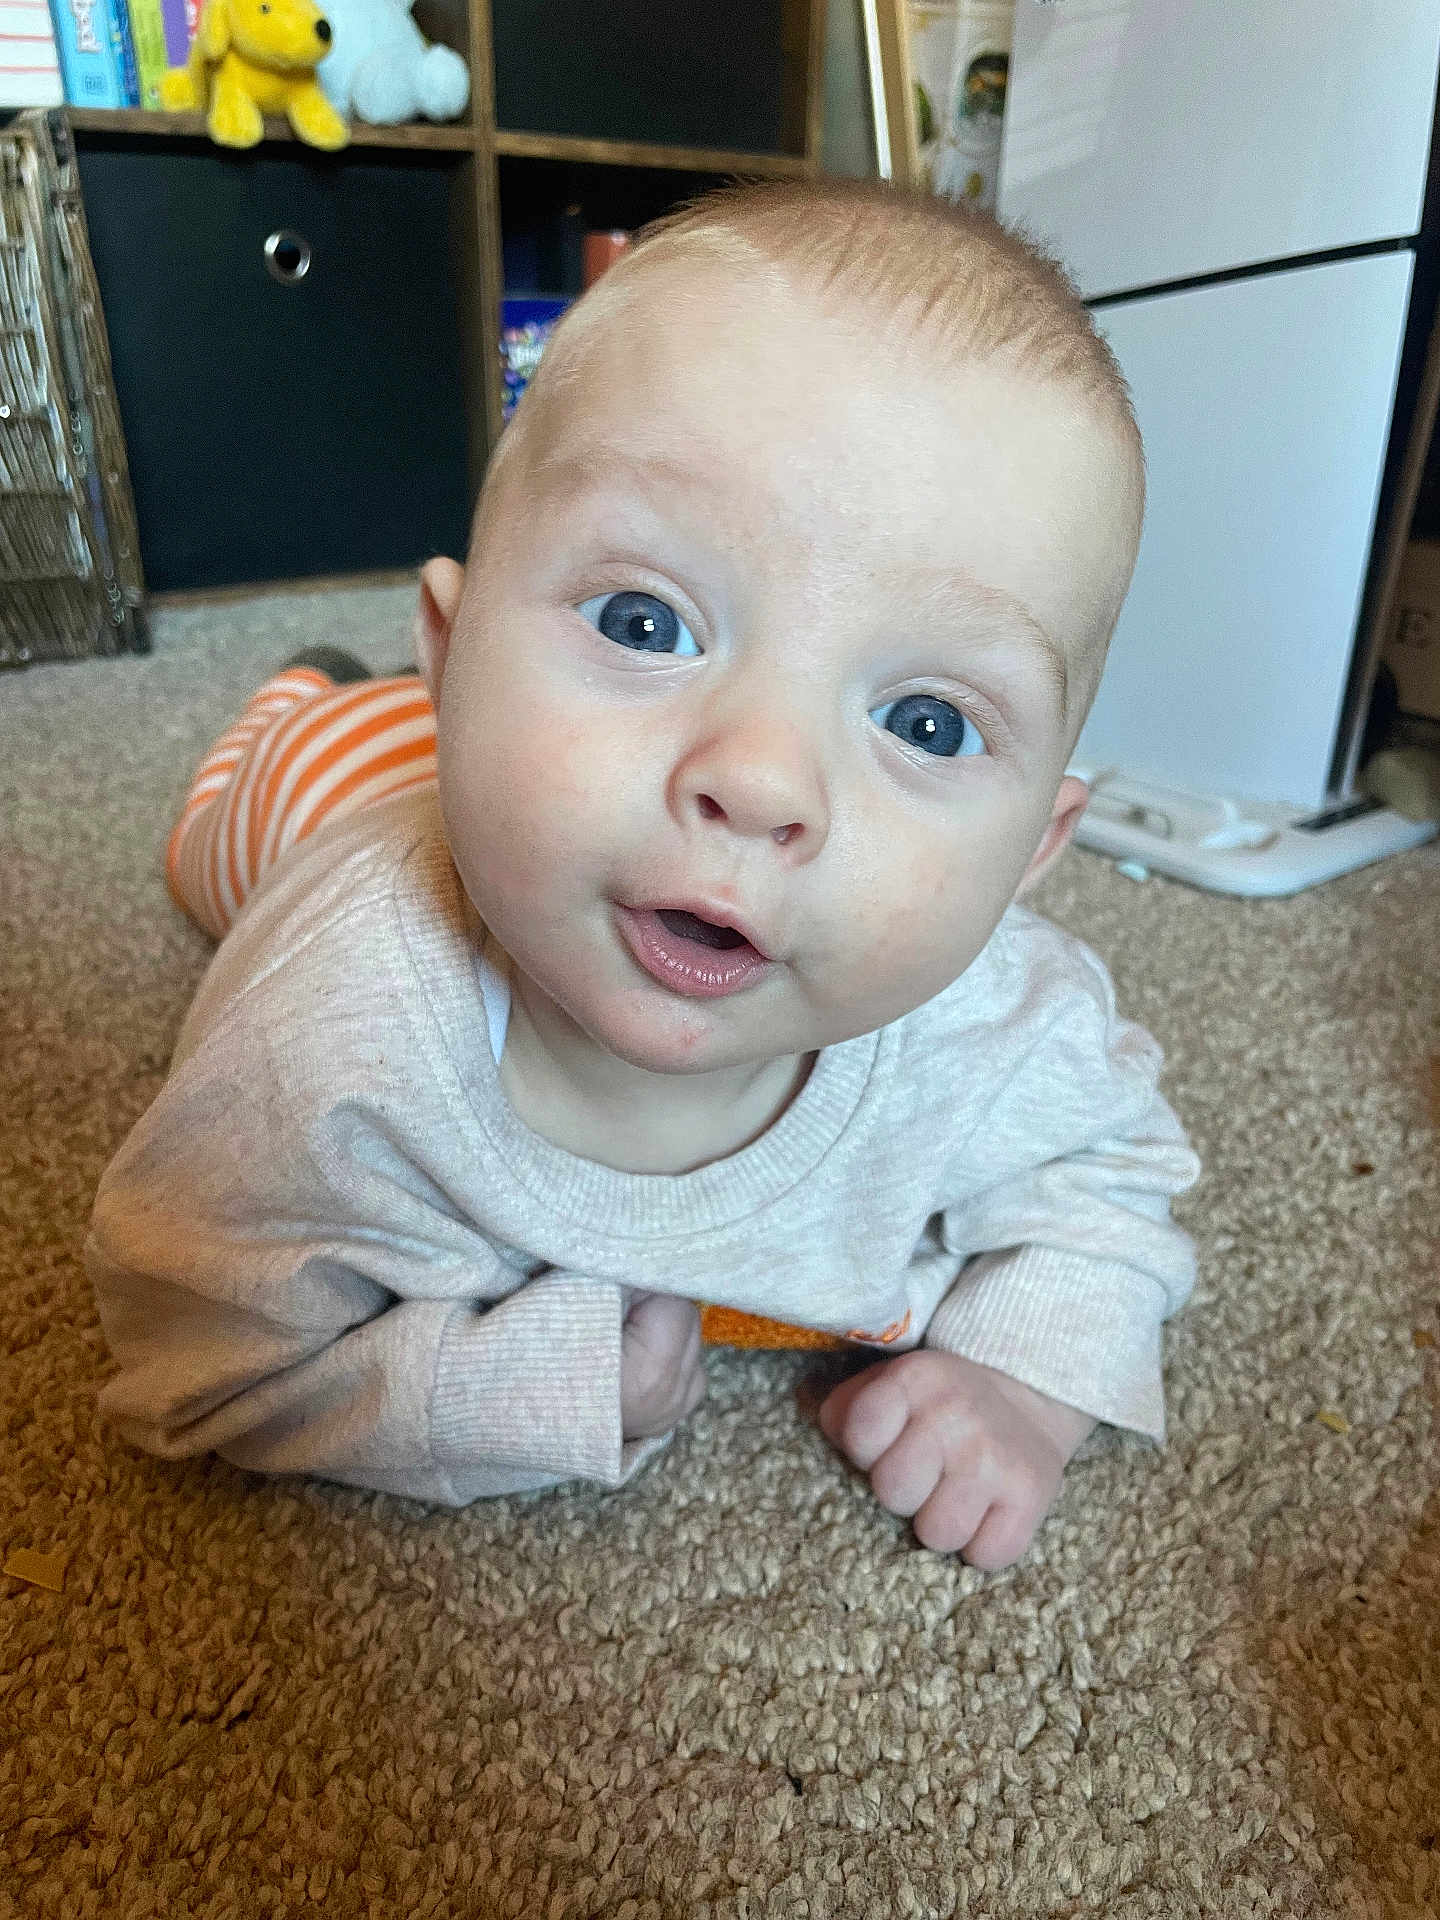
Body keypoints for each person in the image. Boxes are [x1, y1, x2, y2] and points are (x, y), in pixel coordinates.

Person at [86, 177, 1200, 1572]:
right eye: (644, 619)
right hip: (341, 786)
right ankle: (308, 692)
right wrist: (510, 1390)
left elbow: (1114, 1186)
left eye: (926, 723)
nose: (762, 779)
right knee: (233, 822)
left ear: (1036, 851)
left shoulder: (994, 1026)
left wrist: (1026, 1387)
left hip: (516, 776)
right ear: (454, 645)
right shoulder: (327, 1037)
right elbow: (191, 1358)